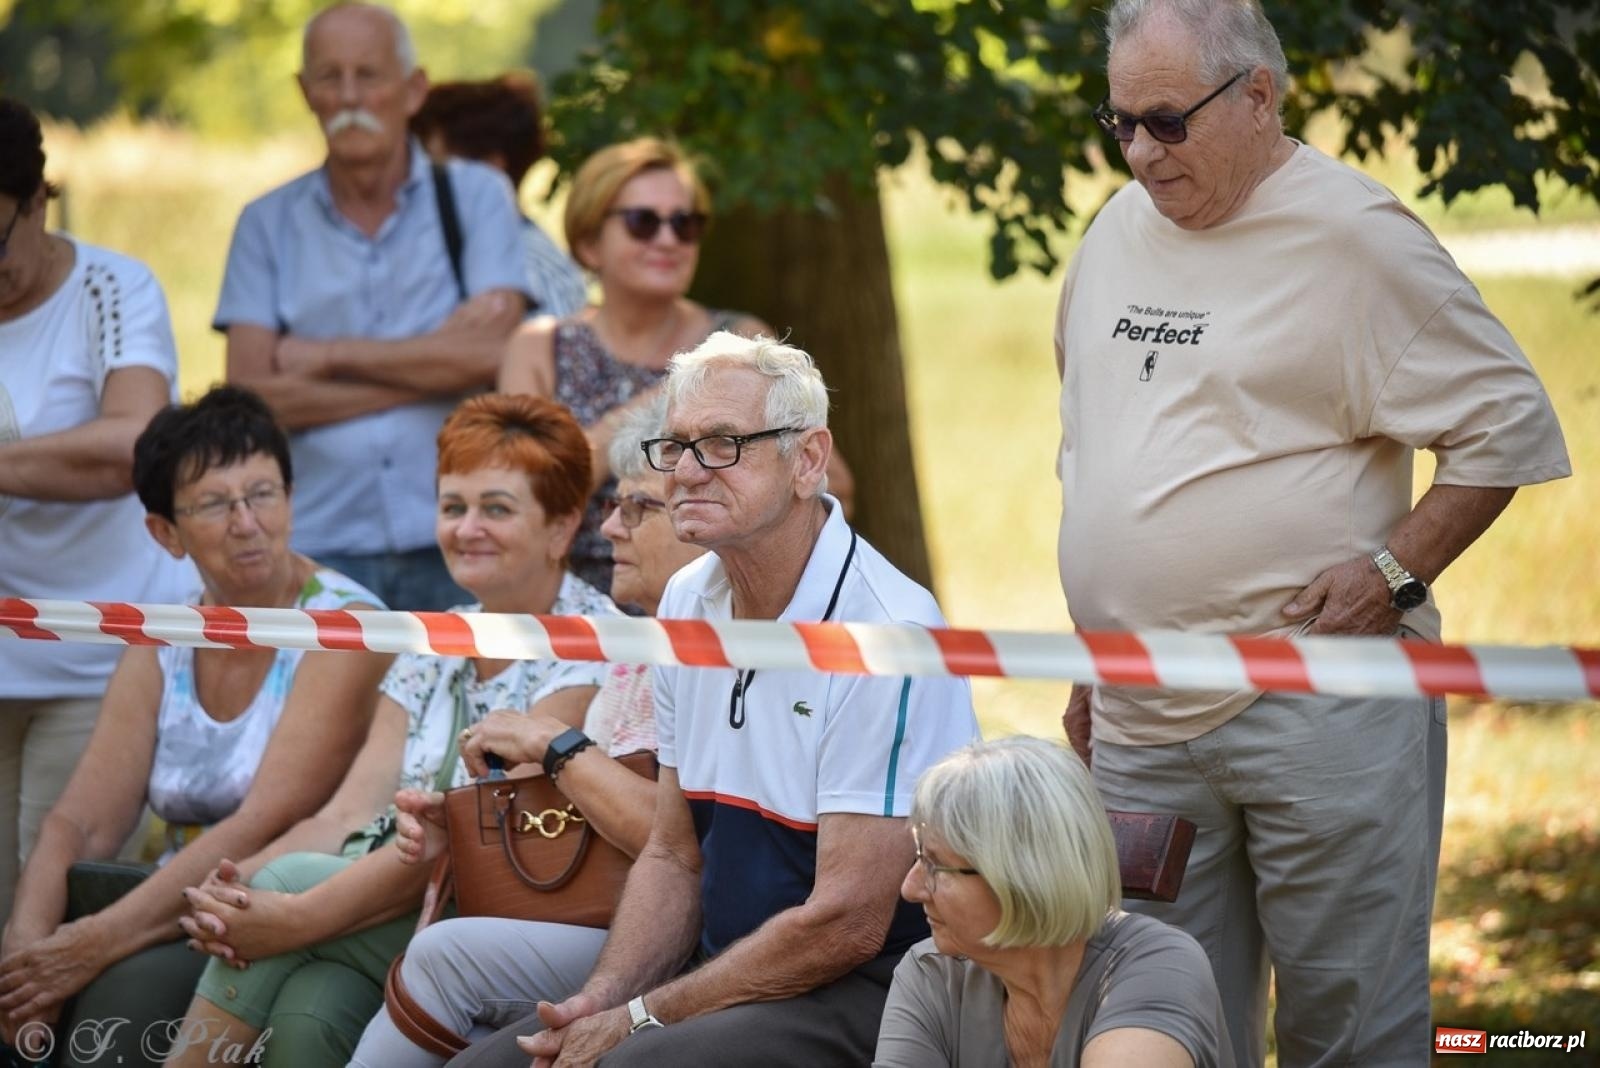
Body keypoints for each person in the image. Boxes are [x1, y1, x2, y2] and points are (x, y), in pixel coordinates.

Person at [1054, 1, 1570, 1064]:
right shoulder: (1112, 231)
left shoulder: (1353, 236)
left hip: (1315, 702)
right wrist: (1095, 654)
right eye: (1119, 124)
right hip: (1141, 713)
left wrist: (1393, 570)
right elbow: (1095, 441)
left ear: (1257, 95)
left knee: (1348, 1022)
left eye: (1166, 121)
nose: (1143, 154)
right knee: (1155, 1018)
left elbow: (1505, 423)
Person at [448, 333, 979, 1068]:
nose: (688, 471)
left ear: (809, 460)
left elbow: (848, 924)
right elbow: (672, 854)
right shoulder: (687, 598)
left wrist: (639, 1018)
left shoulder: (886, 632)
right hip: (729, 972)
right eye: (676, 445)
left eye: (724, 444)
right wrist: (601, 1000)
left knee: (630, 1064)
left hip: (873, 986)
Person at [166, 394, 619, 1068]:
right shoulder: (434, 639)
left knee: (290, 883)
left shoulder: (590, 644)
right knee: (308, 1009)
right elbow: (350, 810)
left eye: (496, 508)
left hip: (508, 921)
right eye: (453, 506)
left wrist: (290, 910)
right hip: (397, 899)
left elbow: (479, 849)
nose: (467, 528)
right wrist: (234, 889)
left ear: (560, 528)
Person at [0, 386, 389, 1068]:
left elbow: (270, 817)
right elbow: (79, 823)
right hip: (162, 909)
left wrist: (90, 943)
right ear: (165, 533)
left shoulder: (341, 624)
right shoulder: (166, 633)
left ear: (293, 499)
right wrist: (28, 949)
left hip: (272, 907)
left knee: (115, 1017)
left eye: (263, 493)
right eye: (214, 503)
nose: (247, 522)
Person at [348, 396, 705, 1067]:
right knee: (308, 987)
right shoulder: (638, 650)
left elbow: (675, 846)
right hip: (583, 915)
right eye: (453, 507)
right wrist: (451, 819)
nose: (611, 530)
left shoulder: (645, 644)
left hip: (661, 933)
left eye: (637, 509)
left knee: (433, 955)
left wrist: (552, 745)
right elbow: (356, 804)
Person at [215, 2, 531, 611]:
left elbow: (495, 354)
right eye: (330, 77)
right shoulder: (266, 223)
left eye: (370, 75)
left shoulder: (477, 197)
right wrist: (435, 367)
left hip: (464, 536)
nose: (350, 96)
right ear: (305, 93)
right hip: (321, 540)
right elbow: (252, 397)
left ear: (414, 90)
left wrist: (322, 355)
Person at [0, 96, 197, 921]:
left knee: (47, 903)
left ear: (39, 200)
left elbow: (131, 446)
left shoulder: (113, 288)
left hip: (103, 652)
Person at [498, 136, 854, 593]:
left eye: (685, 224)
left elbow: (832, 485)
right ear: (588, 243)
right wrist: (665, 398)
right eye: (643, 222)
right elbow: (523, 501)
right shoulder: (540, 347)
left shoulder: (742, 339)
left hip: (714, 602)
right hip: (574, 618)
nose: (668, 239)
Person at [874, 736, 1232, 1068]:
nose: (911, 888)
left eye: (935, 865)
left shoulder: (1159, 965)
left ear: (1023, 878)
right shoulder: (932, 973)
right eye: (919, 857)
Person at [411, 74, 588, 320]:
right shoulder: (461, 252)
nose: (415, 179)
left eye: (434, 166)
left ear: (490, 172)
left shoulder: (530, 267)